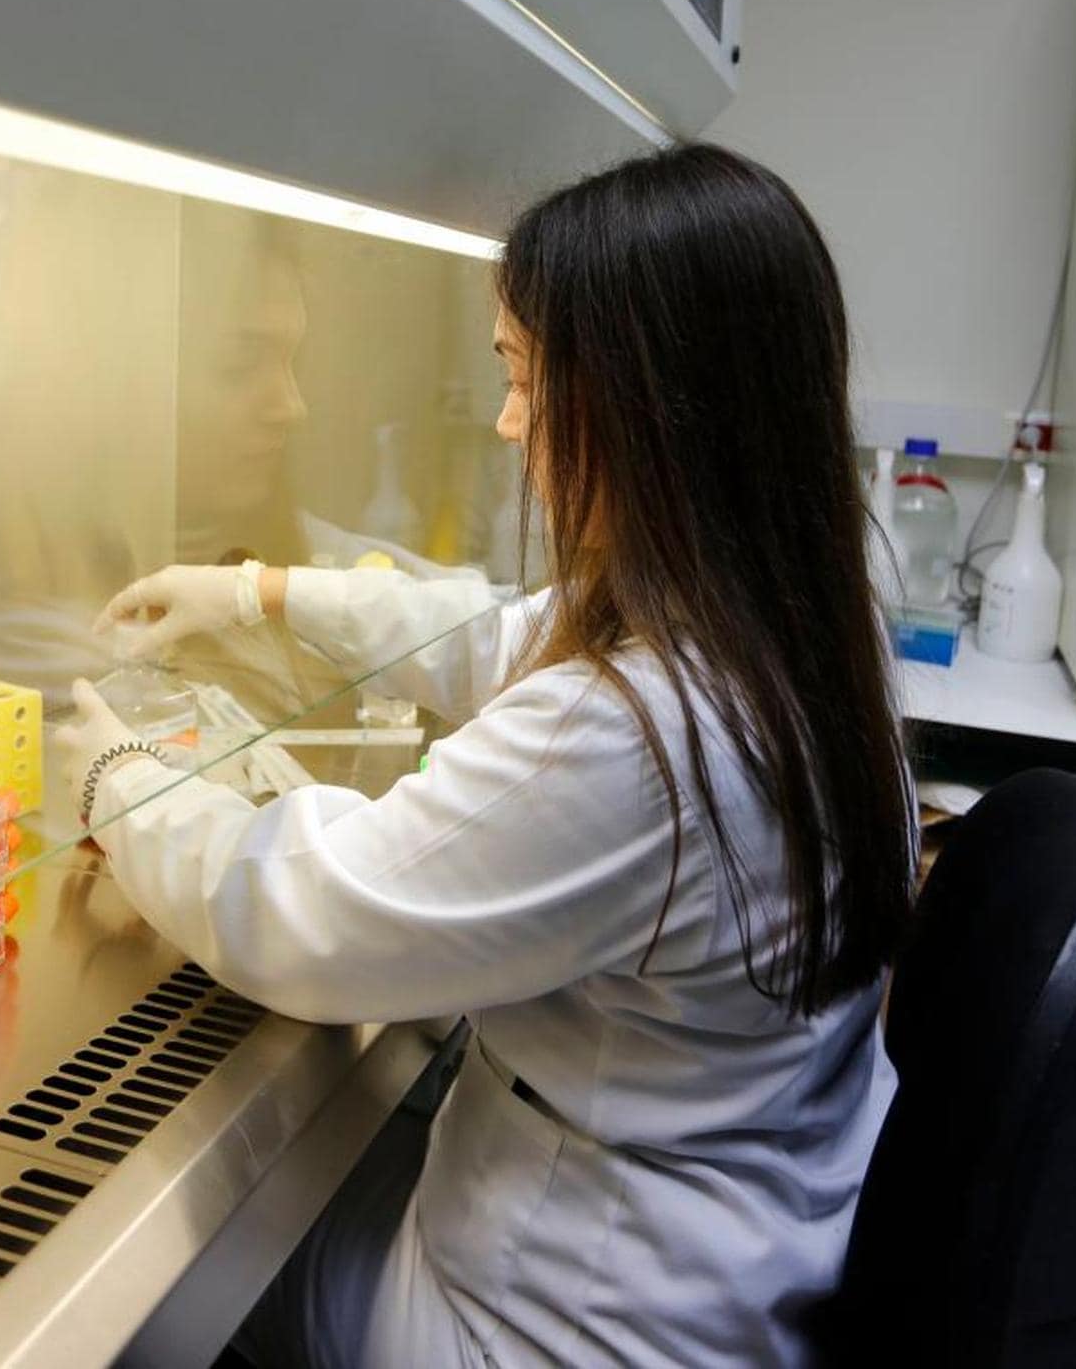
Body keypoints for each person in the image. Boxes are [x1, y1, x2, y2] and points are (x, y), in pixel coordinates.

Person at [58, 143, 917, 1368]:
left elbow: (299, 911)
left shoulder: (641, 731)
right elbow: (504, 635)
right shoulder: (814, 626)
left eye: (523, 377)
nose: (512, 424)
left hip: (564, 1324)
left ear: (647, 402)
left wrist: (115, 781)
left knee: (175, 1301)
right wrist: (261, 592)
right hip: (728, 1251)